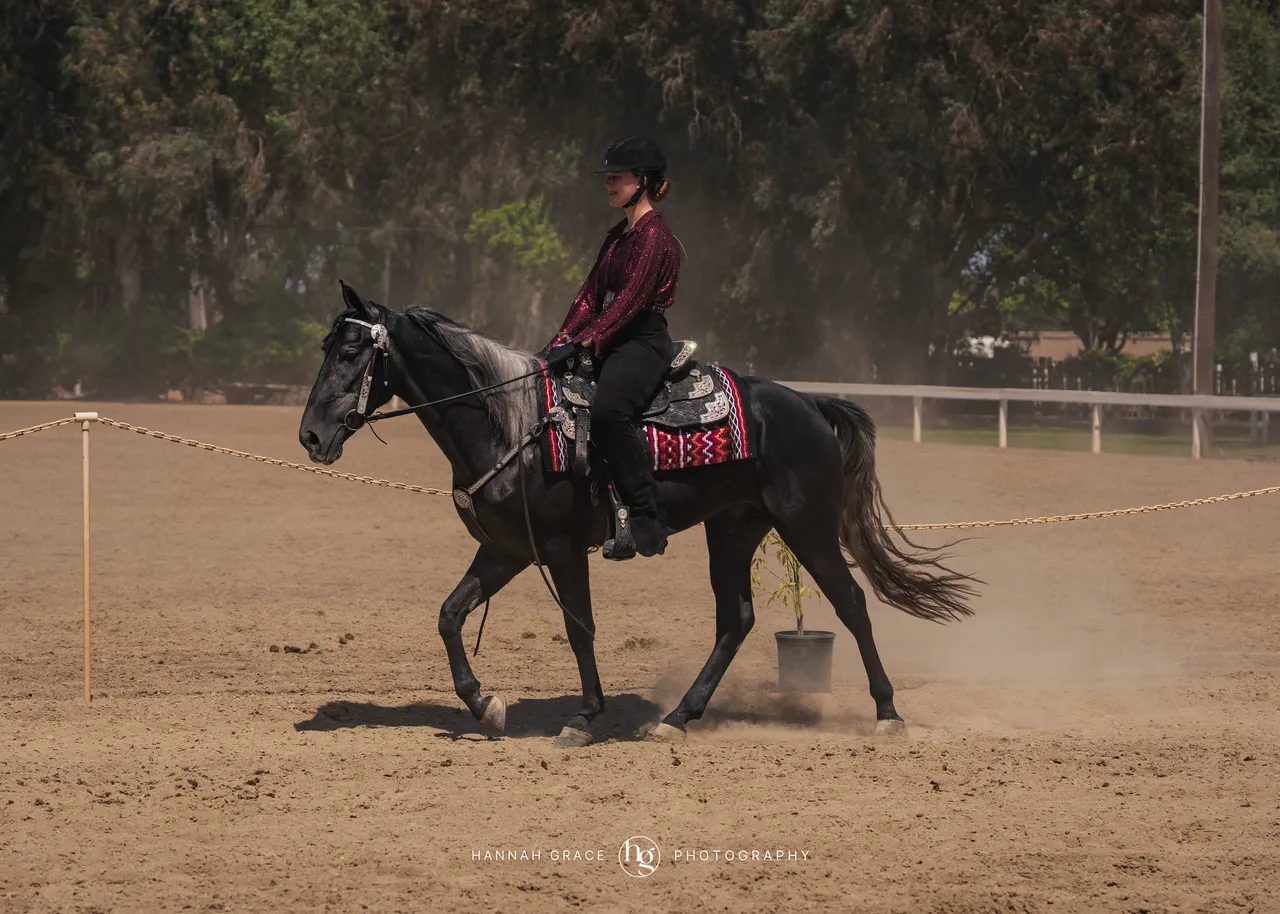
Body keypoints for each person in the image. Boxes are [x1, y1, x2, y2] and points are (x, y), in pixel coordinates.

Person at [539, 136, 682, 558]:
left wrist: (585, 341)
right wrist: (558, 342)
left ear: (642, 181)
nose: (608, 185)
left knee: (609, 413)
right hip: (612, 337)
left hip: (641, 342)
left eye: (615, 178)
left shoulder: (655, 238)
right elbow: (589, 296)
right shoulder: (619, 236)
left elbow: (630, 301)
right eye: (607, 178)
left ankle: (646, 514)